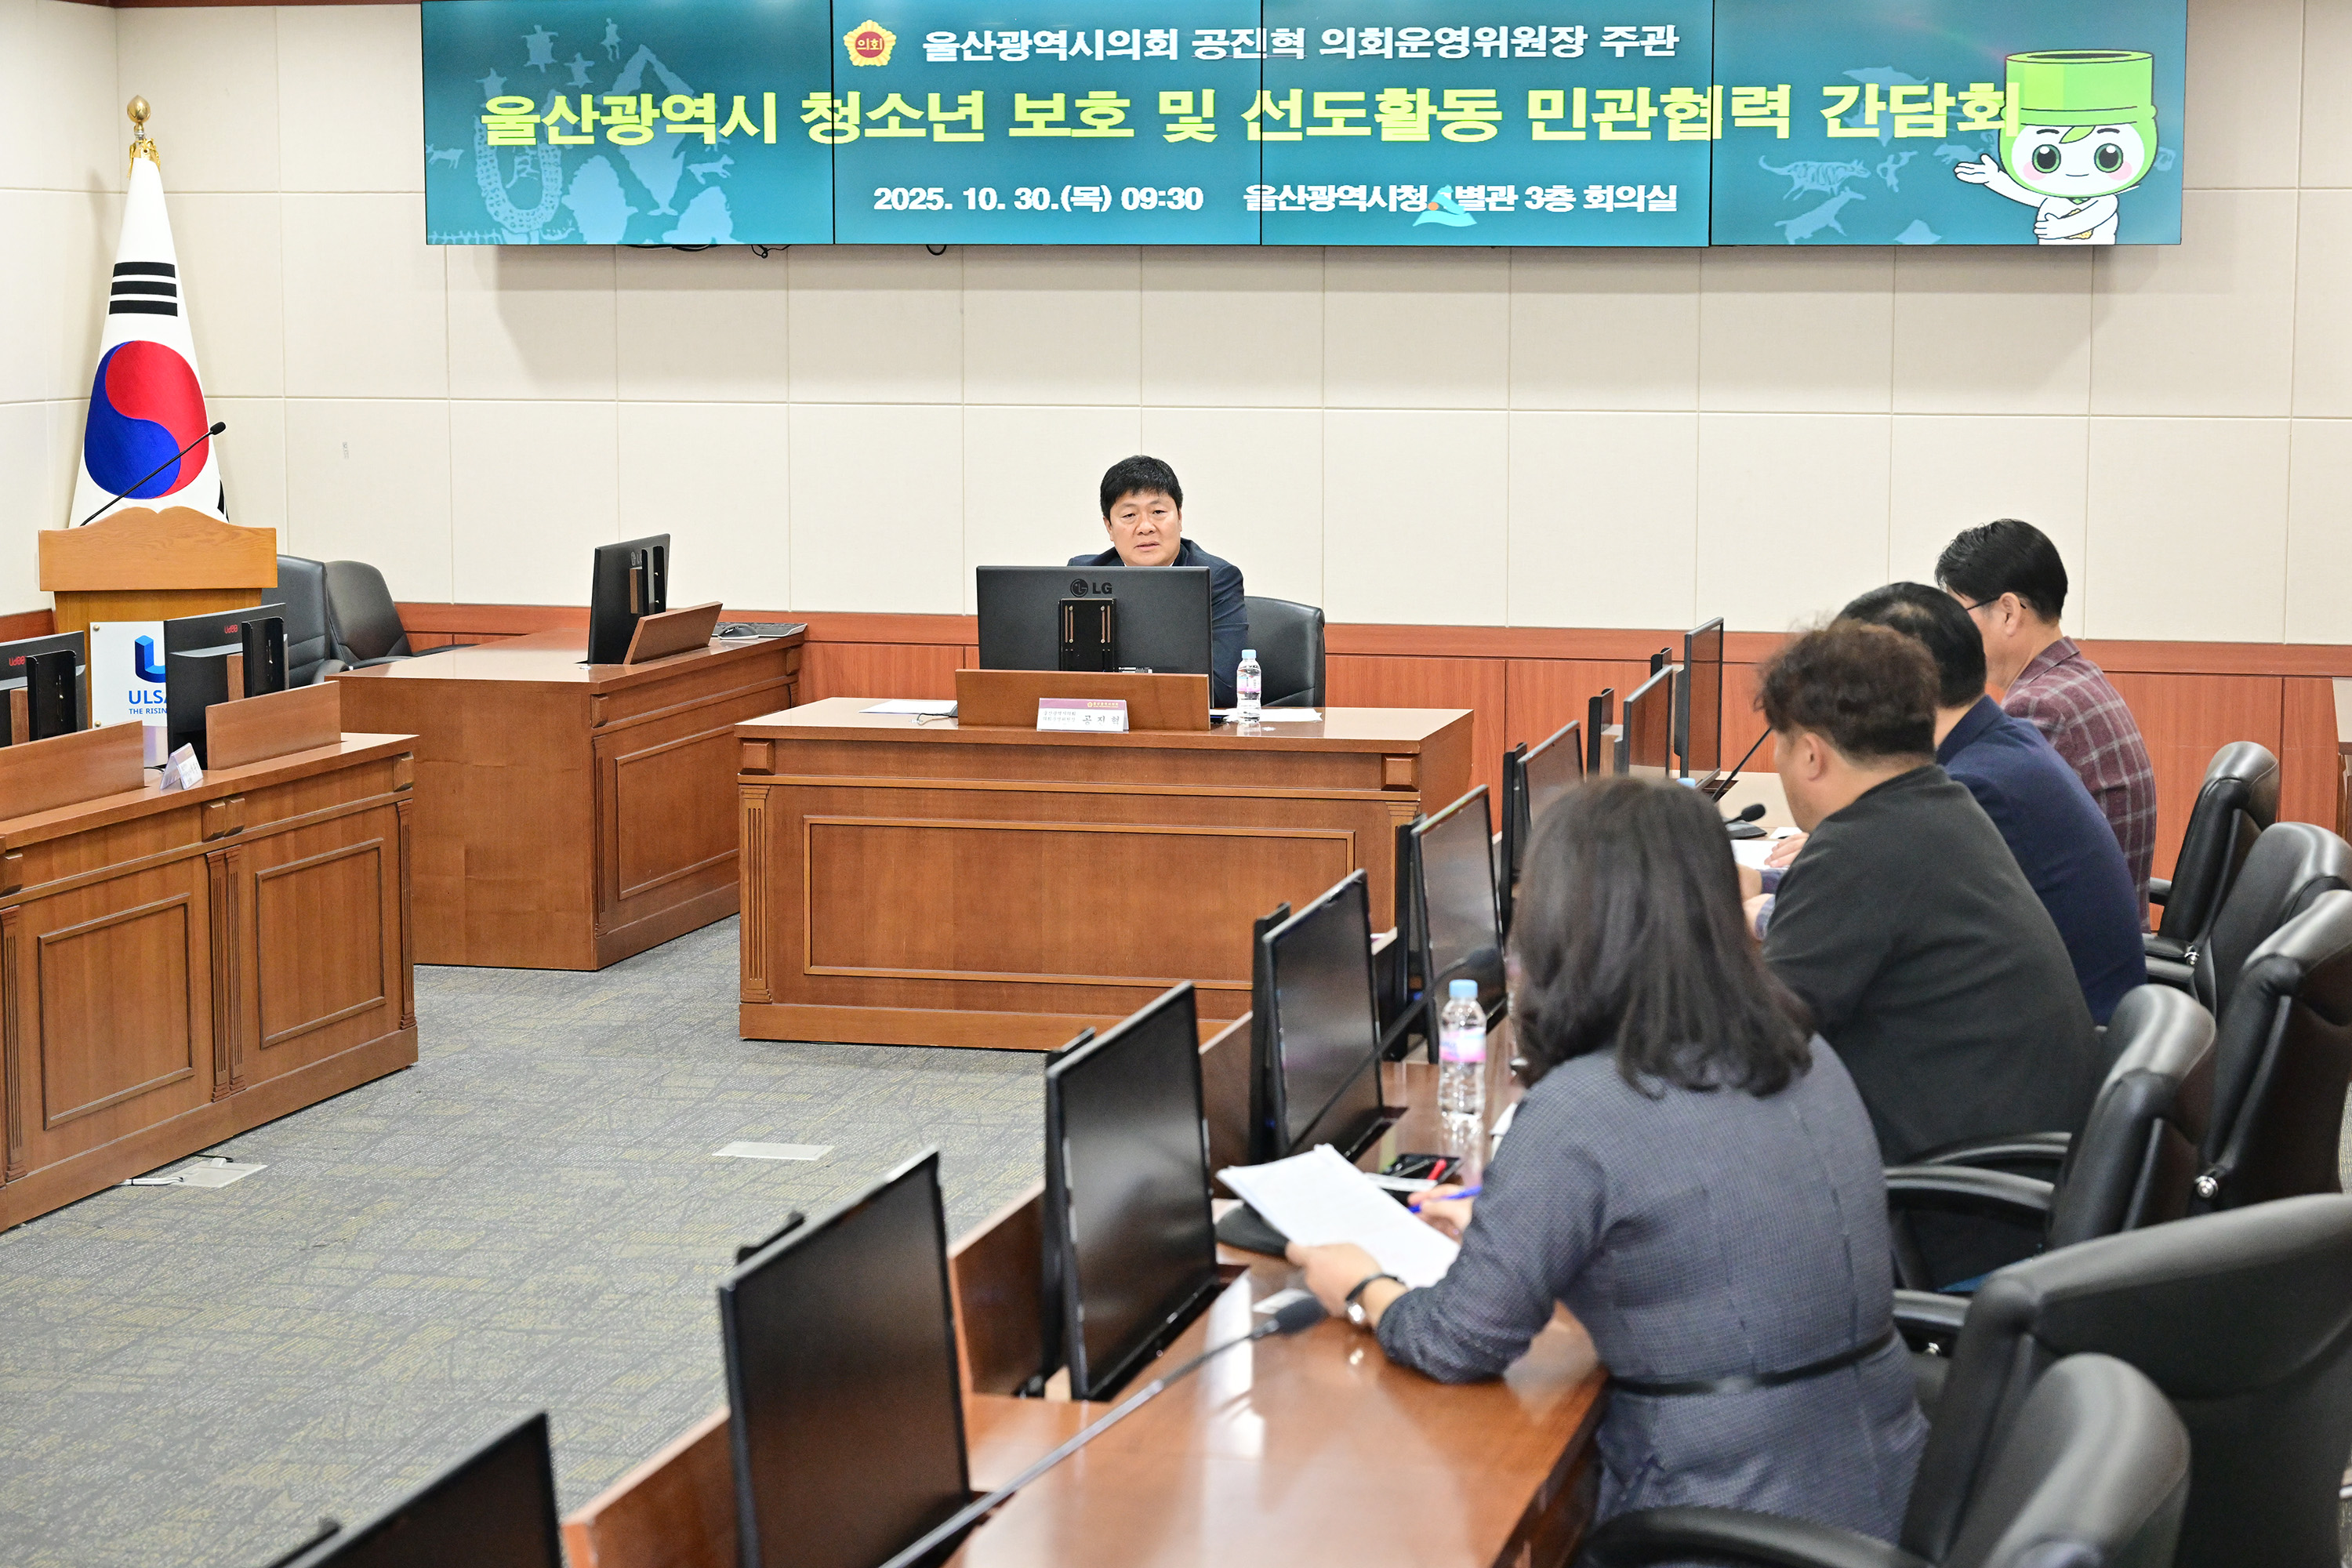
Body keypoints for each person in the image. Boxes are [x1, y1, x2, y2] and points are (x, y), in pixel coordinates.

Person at [1287, 778, 1927, 1544]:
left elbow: (1458, 1340)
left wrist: (1362, 1282)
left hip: (1722, 1517)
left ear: (1564, 926)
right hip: (1868, 1484)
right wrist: (1515, 1226)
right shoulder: (1802, 1049)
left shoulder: (1590, 1105)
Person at [1754, 622, 2102, 1167]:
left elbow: (1752, 1043)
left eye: (1779, 741)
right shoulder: (1946, 805)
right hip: (2025, 1162)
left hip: (1952, 1204)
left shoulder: (1859, 849)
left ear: (1811, 755)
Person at [1832, 584, 2147, 1022]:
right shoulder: (2004, 742)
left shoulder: (1976, 787)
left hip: (2060, 1040)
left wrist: (1761, 904)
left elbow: (1878, 926)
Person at [1936, 518, 2157, 893]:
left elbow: (1969, 853)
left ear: (2008, 612)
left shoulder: (2038, 708)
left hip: (2077, 941)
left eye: (1959, 615)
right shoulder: (2076, 678)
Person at [1070, 455, 1247, 707]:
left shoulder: (1216, 579)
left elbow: (1224, 688)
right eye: (1129, 515)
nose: (1145, 527)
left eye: (1158, 512)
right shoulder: (1085, 577)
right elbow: (1065, 680)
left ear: (1180, 518)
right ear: (1109, 527)